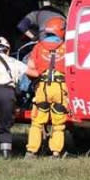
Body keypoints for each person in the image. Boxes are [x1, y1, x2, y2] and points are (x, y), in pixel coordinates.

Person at [24, 17, 69, 159]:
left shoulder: (38, 46)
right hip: (60, 89)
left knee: (37, 121)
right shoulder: (67, 47)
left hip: (42, 87)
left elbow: (29, 69)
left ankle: (31, 152)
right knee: (59, 123)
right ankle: (56, 153)